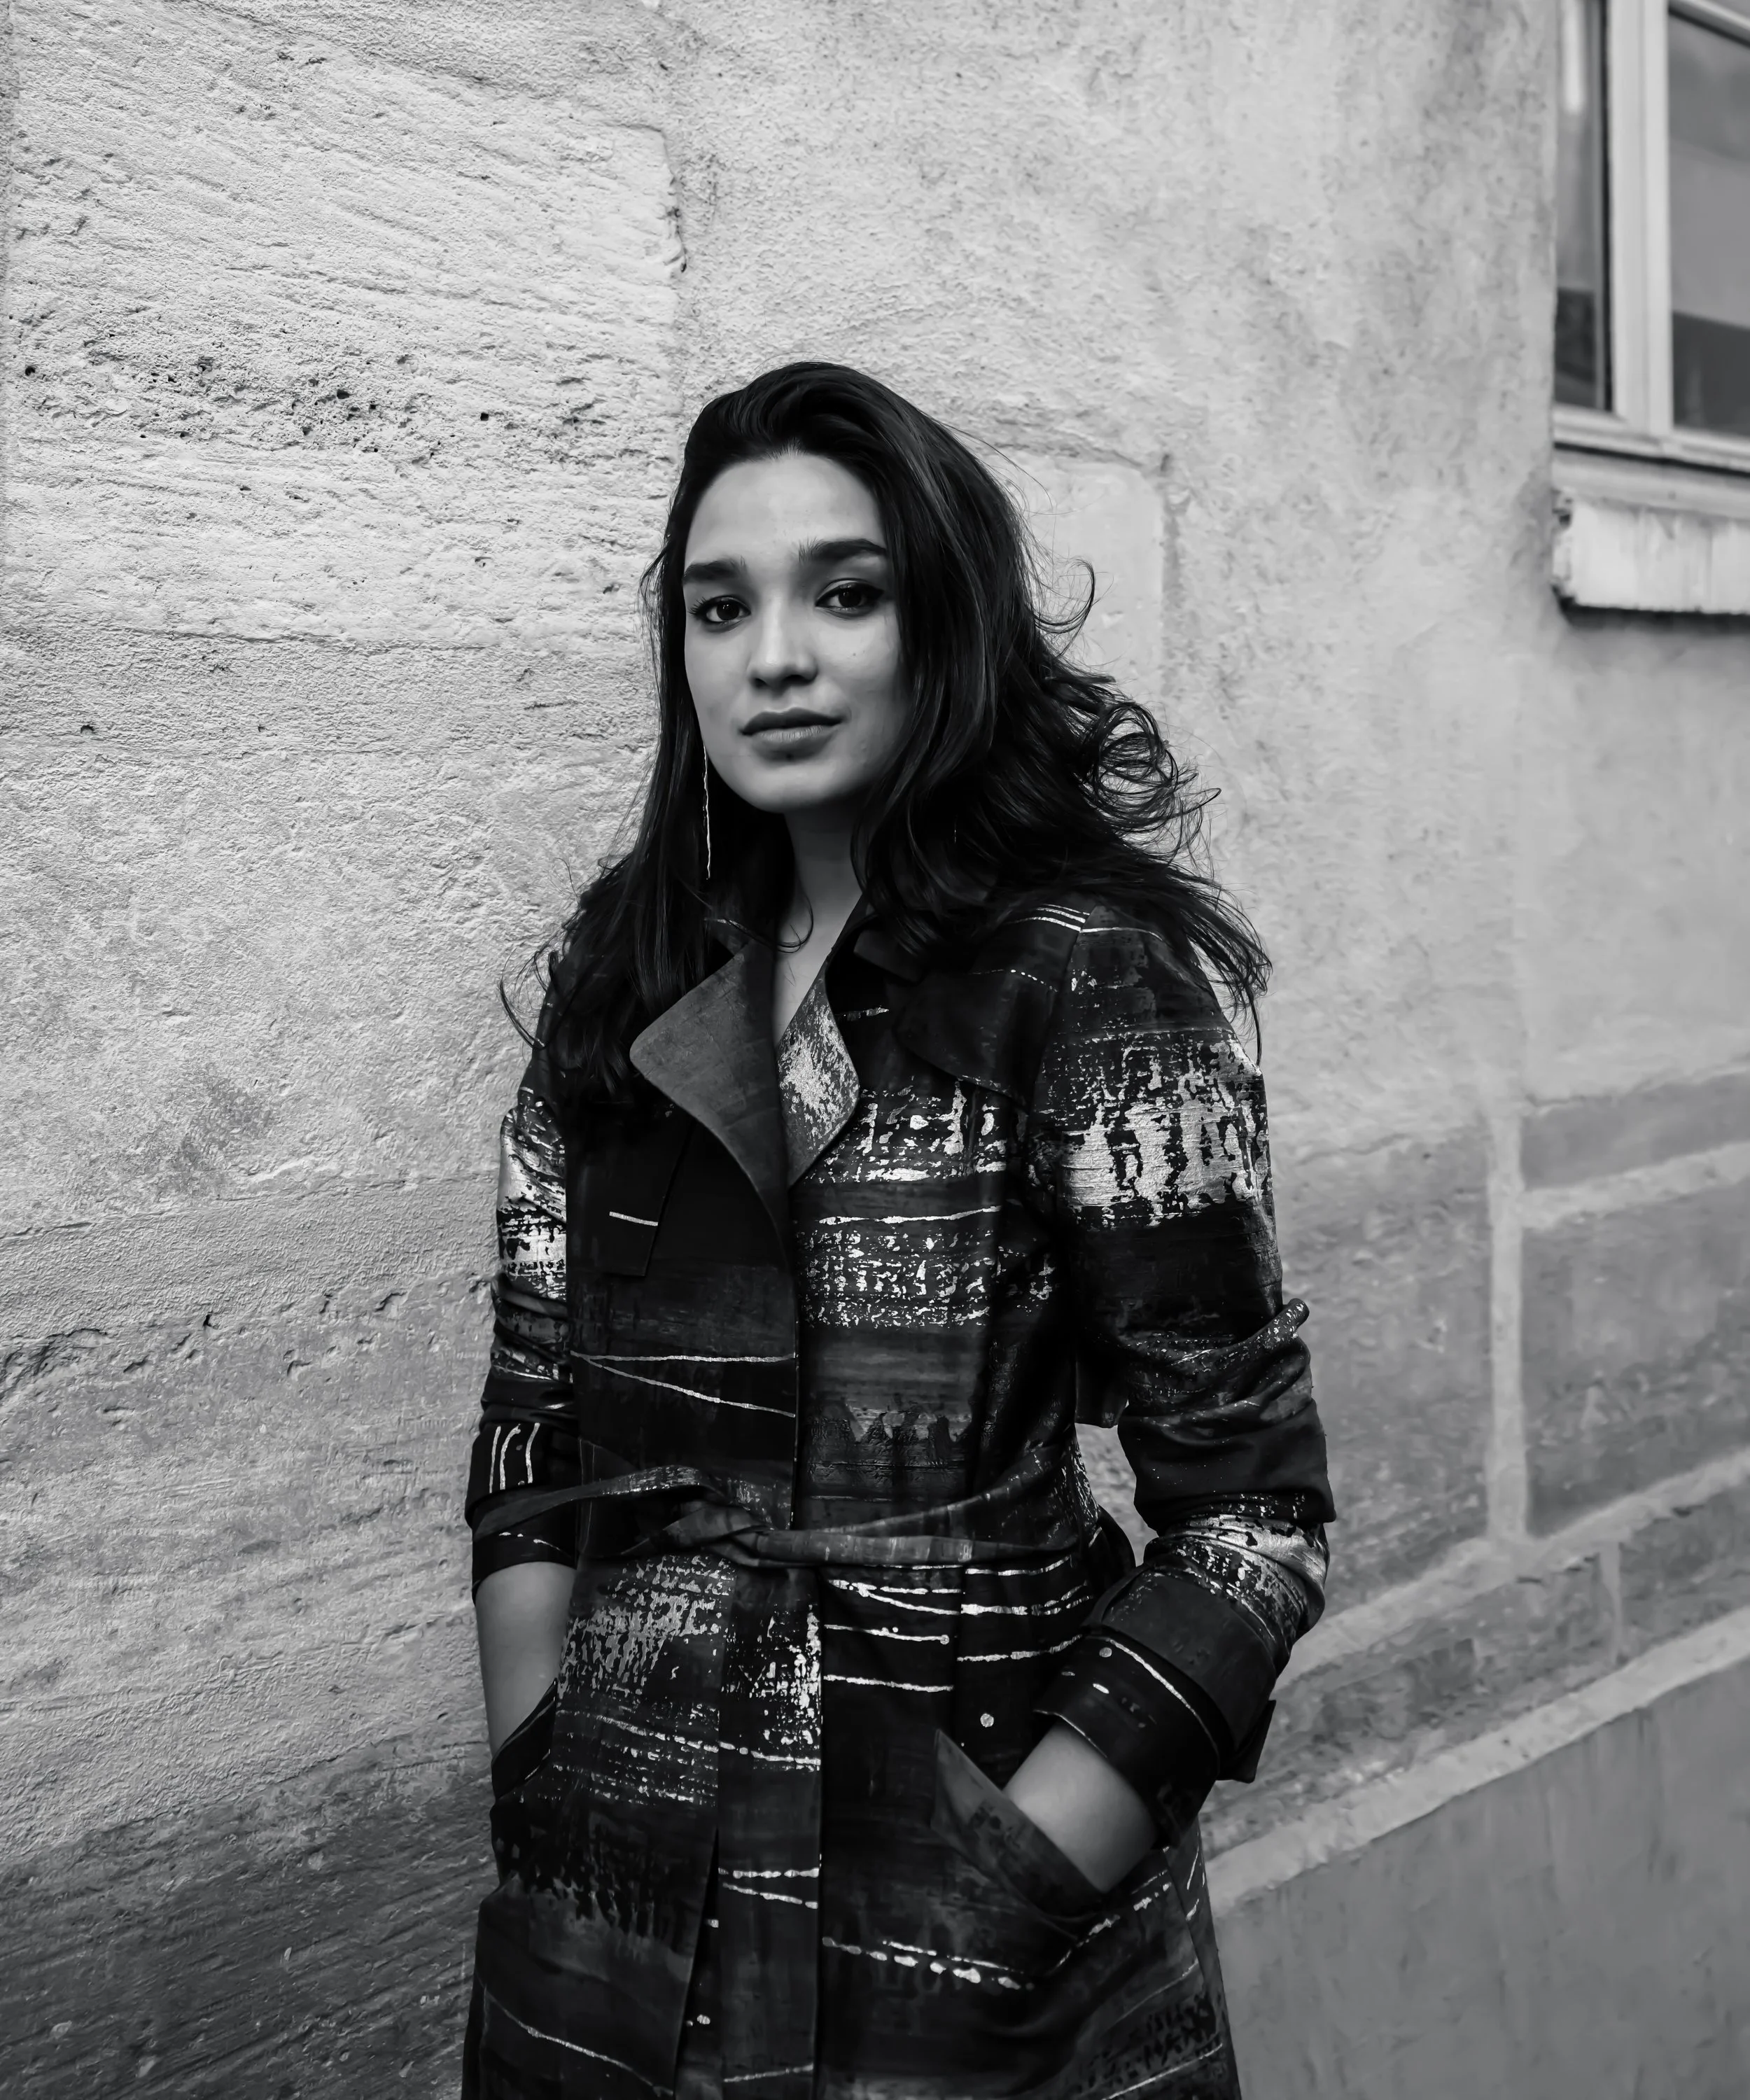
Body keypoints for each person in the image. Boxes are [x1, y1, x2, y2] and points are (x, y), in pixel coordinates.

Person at [461, 363, 1333, 2100]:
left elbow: (1251, 1513)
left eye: (841, 594)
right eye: (721, 609)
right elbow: (532, 1423)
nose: (772, 655)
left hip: (972, 1885)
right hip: (619, 1892)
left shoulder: (1077, 975)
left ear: (942, 628)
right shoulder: (626, 981)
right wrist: (545, 1757)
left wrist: (1015, 1876)